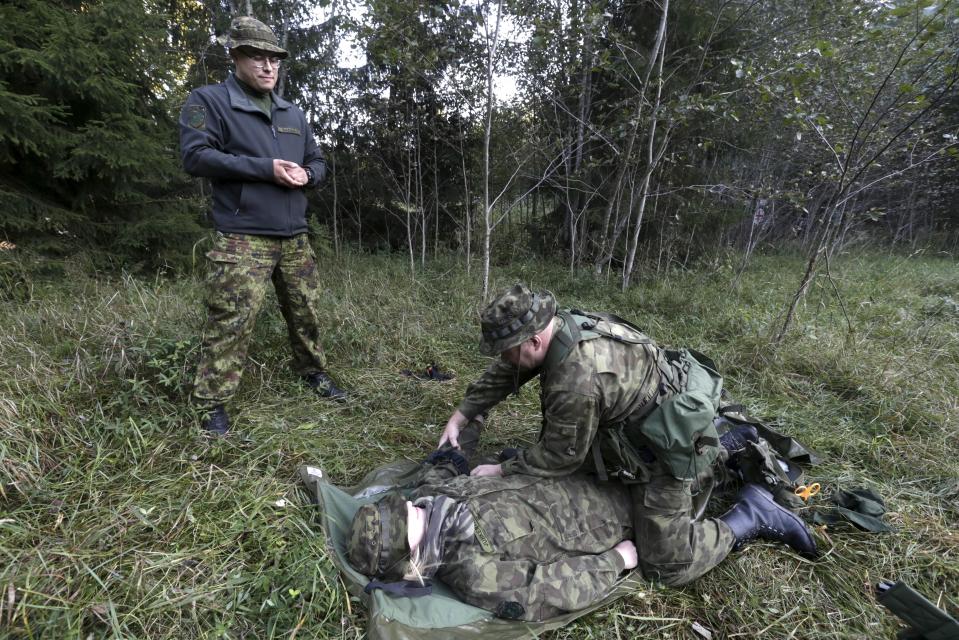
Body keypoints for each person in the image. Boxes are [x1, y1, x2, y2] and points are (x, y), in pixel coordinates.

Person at [436, 284, 817, 586]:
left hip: (663, 452)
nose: (504, 360)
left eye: (507, 351)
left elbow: (559, 457)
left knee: (667, 564)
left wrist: (501, 472)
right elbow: (512, 371)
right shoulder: (563, 326)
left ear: (533, 340)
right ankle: (727, 444)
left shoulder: (575, 379)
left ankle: (752, 514)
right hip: (646, 417)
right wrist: (463, 414)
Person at [179, 16, 345, 435]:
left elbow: (318, 161)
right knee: (230, 319)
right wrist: (264, 169)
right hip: (243, 236)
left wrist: (310, 176)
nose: (268, 66)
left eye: (274, 58)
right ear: (236, 57)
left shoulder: (293, 113)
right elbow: (195, 157)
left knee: (306, 312)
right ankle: (211, 404)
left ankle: (313, 373)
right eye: (257, 57)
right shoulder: (208, 101)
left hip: (294, 237)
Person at [348, 419, 639, 621]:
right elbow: (547, 590)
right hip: (617, 512)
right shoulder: (475, 573)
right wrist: (616, 560)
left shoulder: (431, 496)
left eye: (401, 508)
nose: (412, 506)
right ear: (411, 559)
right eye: (405, 519)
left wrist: (470, 419)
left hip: (580, 468)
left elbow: (446, 462)